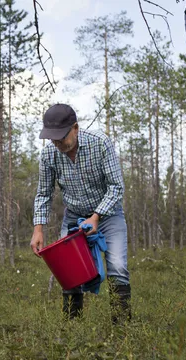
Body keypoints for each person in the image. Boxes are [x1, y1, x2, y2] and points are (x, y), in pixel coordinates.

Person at [30, 103, 131, 324]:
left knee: (118, 267)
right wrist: (38, 229)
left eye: (61, 138)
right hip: (74, 217)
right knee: (68, 273)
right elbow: (44, 194)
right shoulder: (49, 154)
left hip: (108, 216)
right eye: (53, 139)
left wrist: (96, 217)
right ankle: (73, 333)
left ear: (75, 128)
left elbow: (116, 187)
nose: (58, 144)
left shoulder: (100, 143)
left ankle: (124, 332)